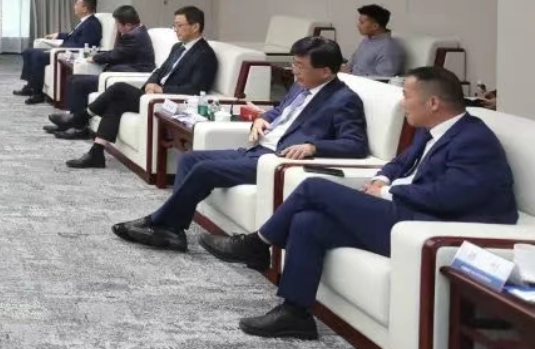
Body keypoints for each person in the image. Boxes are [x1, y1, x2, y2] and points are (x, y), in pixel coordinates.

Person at [201, 67, 517, 340]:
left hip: (431, 225)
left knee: (314, 188)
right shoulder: (432, 130)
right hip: (409, 214)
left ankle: (257, 244)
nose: (401, 102)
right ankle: (295, 314)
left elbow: (453, 196)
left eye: (406, 95)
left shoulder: (474, 139)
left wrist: (390, 192)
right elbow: (401, 162)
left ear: (433, 103)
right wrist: (382, 178)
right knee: (309, 222)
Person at [111, 37, 367, 252]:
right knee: (189, 159)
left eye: (300, 66)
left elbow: (355, 144)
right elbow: (280, 111)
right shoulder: (302, 86)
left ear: (325, 71)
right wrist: (262, 120)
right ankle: (173, 229)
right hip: (257, 149)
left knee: (204, 170)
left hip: (275, 160)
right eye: (294, 63)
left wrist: (313, 147)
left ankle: (160, 224)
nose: (294, 71)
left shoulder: (344, 99)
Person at [66, 6, 217, 169]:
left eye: (179, 25)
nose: (175, 30)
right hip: (153, 96)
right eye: (174, 25)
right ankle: (96, 152)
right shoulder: (178, 47)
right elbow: (159, 71)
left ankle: (82, 117)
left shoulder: (205, 54)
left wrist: (162, 90)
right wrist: (151, 84)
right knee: (115, 103)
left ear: (195, 27)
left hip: (169, 102)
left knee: (119, 89)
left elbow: (196, 89)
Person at [45, 5, 156, 139]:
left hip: (126, 77)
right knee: (73, 79)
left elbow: (115, 55)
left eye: (117, 24)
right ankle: (71, 122)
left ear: (127, 25)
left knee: (80, 83)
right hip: (116, 74)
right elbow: (117, 53)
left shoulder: (135, 36)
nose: (116, 27)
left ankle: (78, 127)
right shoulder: (135, 32)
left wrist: (94, 58)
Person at [15, 0, 103, 105]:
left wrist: (61, 48)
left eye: (77, 4)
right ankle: (30, 86)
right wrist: (58, 35)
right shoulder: (85, 21)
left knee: (38, 56)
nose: (74, 6)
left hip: (69, 53)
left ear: (85, 8)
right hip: (64, 49)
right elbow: (73, 36)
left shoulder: (92, 24)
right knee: (28, 52)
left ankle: (38, 93)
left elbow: (84, 45)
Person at [342, 4, 405, 78]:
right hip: (351, 78)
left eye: (362, 22)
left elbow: (383, 79)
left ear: (375, 26)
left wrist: (351, 73)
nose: (358, 25)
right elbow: (351, 64)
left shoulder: (389, 48)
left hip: (362, 83)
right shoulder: (367, 40)